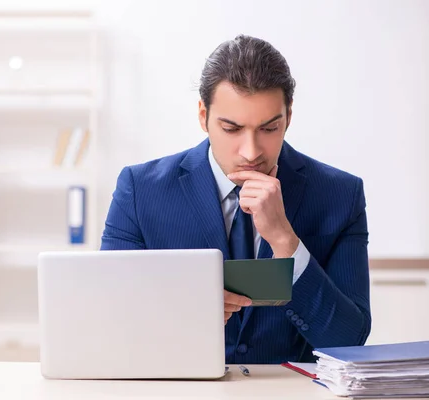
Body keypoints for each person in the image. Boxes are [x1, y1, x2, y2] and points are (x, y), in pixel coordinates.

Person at [100, 34, 371, 364]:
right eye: (231, 129)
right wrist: (185, 313)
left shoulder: (339, 195)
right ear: (203, 116)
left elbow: (349, 342)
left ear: (288, 116)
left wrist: (286, 241)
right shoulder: (140, 190)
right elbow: (109, 319)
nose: (252, 151)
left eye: (269, 129)